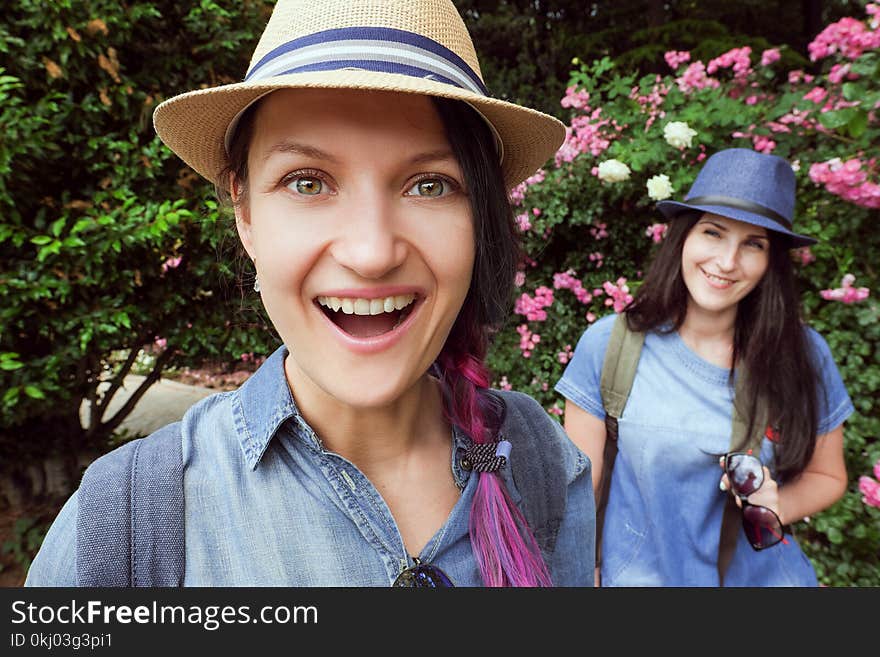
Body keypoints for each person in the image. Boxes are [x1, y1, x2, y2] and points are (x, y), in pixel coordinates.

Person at [25, 0, 594, 587]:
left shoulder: (541, 464)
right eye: (307, 182)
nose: (372, 253)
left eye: (431, 184)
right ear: (245, 213)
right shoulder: (129, 524)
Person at [556, 148, 853, 586]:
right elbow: (581, 491)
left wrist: (777, 505)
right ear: (683, 237)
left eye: (754, 244)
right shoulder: (610, 345)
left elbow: (828, 476)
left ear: (772, 262)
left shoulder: (803, 353)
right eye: (713, 233)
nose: (727, 262)